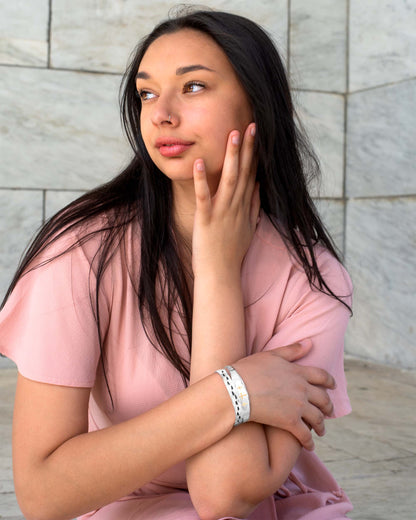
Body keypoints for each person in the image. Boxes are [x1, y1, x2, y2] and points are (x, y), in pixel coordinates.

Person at [0, 8, 353, 520]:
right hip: (125, 505)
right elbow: (43, 494)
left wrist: (217, 275)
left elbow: (224, 494)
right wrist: (239, 391)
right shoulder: (81, 251)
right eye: (146, 93)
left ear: (260, 103)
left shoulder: (315, 281)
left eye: (193, 88)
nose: (161, 114)